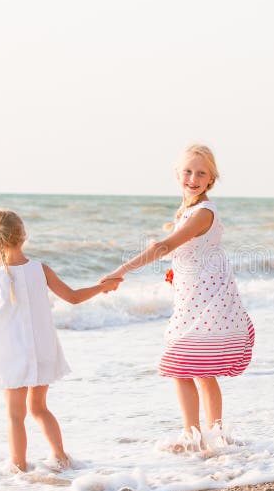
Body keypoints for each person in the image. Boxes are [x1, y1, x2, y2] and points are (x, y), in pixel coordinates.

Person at [0, 209, 121, 472]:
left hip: (13, 355)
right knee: (39, 408)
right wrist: (102, 287)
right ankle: (61, 457)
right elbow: (72, 297)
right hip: (43, 351)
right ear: (22, 239)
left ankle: (19, 467)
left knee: (16, 416)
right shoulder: (41, 269)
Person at [101, 144, 254, 449]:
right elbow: (193, 252)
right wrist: (176, 271)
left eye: (201, 173)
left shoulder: (202, 212)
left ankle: (194, 435)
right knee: (199, 370)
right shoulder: (187, 212)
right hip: (194, 297)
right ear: (177, 174)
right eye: (187, 171)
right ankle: (212, 436)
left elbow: (164, 247)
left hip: (206, 300)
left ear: (211, 179)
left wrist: (121, 270)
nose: (193, 178)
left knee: (184, 366)